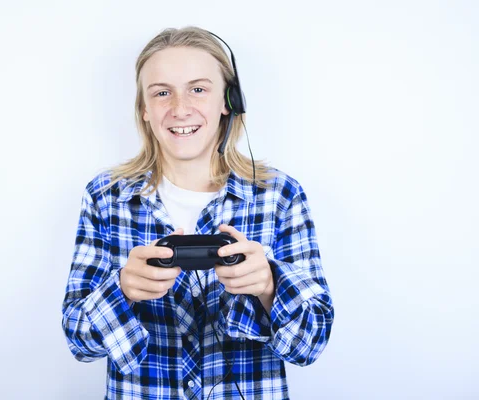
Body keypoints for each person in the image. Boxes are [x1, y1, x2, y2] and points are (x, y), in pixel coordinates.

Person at [61, 26, 334, 400]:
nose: (179, 108)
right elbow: (78, 340)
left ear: (229, 101)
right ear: (143, 108)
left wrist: (270, 287)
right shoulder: (106, 197)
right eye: (161, 93)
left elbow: (311, 345)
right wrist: (121, 289)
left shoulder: (280, 196)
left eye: (198, 89)